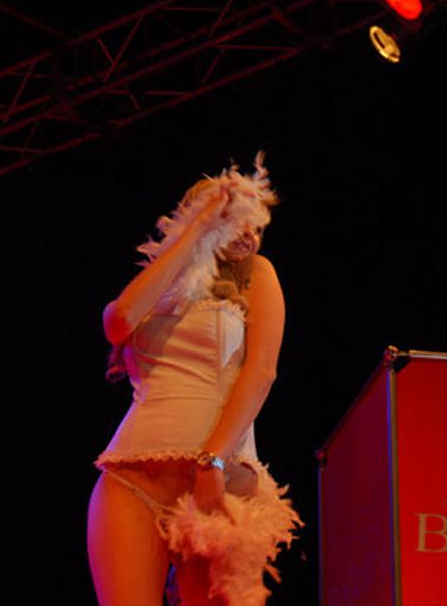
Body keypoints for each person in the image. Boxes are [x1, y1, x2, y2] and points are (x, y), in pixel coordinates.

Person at [87, 154, 301, 606]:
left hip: (217, 482)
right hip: (132, 481)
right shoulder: (159, 290)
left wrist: (212, 462)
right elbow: (119, 321)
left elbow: (262, 371)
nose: (251, 235)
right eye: (238, 221)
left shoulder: (256, 277)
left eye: (257, 227)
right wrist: (196, 231)